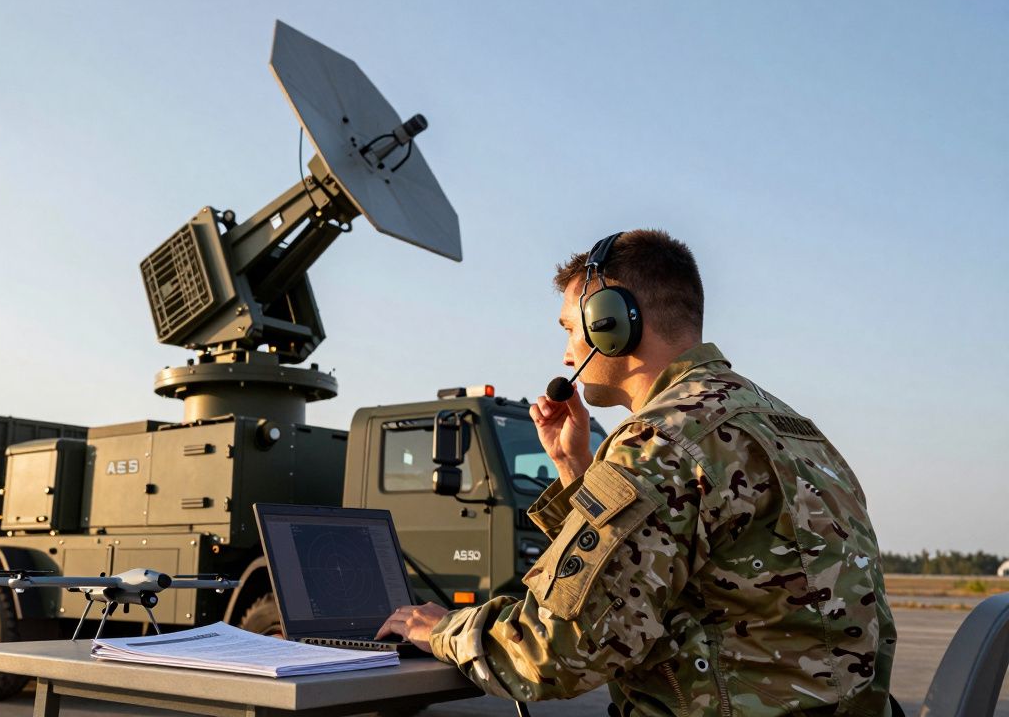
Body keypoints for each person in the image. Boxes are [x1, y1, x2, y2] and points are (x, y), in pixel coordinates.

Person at [377, 229, 898, 715]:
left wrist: (443, 628)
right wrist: (575, 470)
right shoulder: (791, 426)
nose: (564, 352)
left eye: (568, 328)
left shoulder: (662, 440)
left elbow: (556, 650)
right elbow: (663, 567)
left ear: (611, 324)